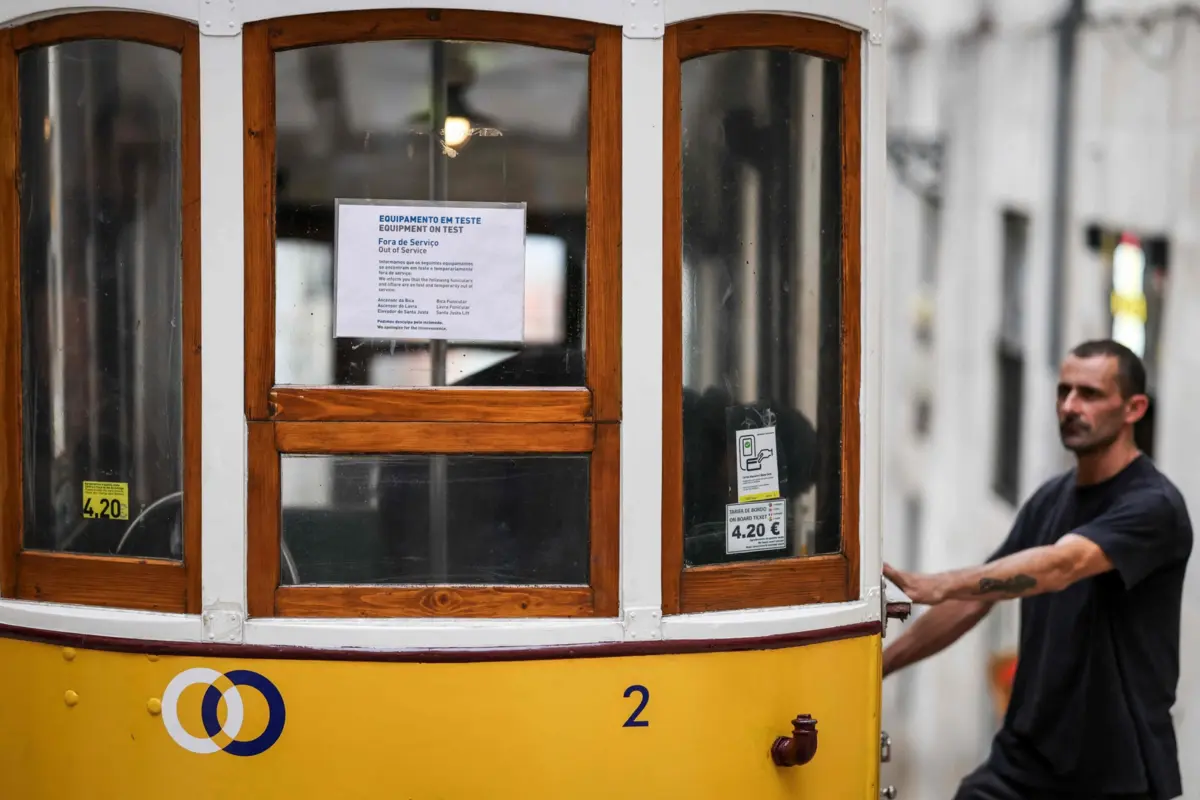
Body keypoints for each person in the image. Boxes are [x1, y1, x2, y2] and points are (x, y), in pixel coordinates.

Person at [882, 339, 1193, 800]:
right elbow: (977, 599)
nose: (1069, 406)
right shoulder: (1051, 499)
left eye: (1089, 394)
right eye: (1063, 391)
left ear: (1134, 408)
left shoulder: (1154, 507)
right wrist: (879, 666)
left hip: (1118, 778)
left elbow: (1063, 565)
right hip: (1024, 765)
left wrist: (940, 583)